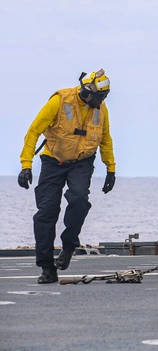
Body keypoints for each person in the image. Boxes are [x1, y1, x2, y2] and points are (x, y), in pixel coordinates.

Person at [18, 70, 116, 284]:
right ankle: (46, 267)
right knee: (46, 212)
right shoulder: (60, 101)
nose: (102, 101)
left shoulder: (101, 109)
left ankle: (69, 246)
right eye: (100, 97)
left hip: (82, 162)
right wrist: (26, 165)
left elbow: (105, 139)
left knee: (79, 200)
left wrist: (111, 169)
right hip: (53, 161)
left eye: (105, 97)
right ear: (87, 92)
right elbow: (34, 131)